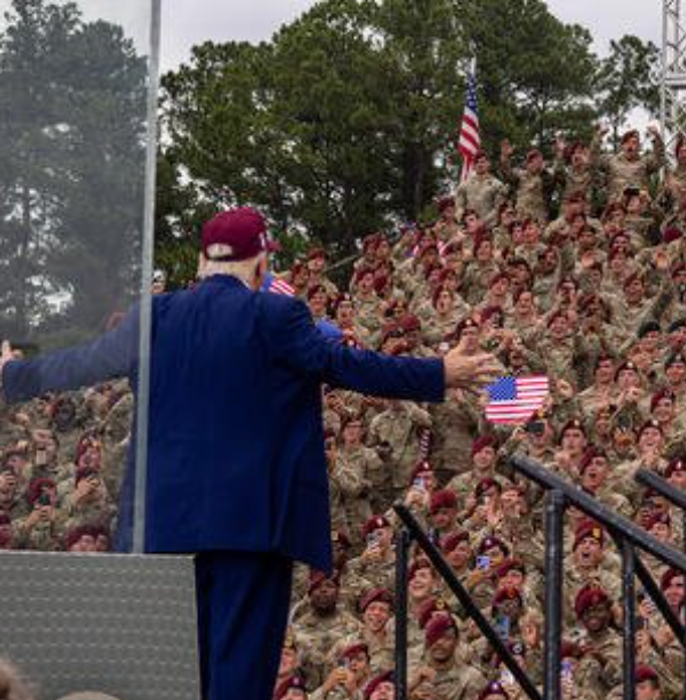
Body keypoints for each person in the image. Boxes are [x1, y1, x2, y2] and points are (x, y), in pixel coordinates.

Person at [0, 207, 501, 700]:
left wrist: (12, 374)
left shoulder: (155, 316)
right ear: (261, 264)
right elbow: (347, 365)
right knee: (237, 681)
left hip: (161, 532)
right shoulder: (276, 314)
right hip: (249, 532)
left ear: (202, 261)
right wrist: (439, 372)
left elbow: (82, 363)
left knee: (167, 680)